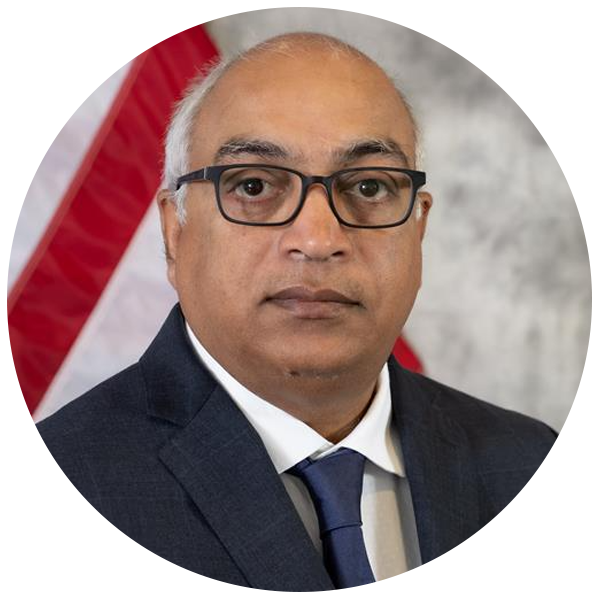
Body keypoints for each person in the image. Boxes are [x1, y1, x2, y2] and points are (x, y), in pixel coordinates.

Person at [8, 32, 590, 592]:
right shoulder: (35, 502)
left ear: (418, 228)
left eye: (369, 188)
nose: (317, 240)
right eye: (254, 186)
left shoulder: (541, 472)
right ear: (174, 233)